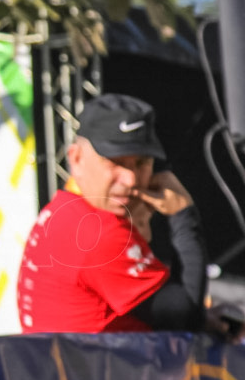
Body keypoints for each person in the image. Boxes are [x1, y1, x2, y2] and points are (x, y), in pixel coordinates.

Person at [16, 93, 222, 334]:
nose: (131, 179)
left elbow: (176, 313)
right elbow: (185, 319)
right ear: (76, 158)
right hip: (91, 371)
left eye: (142, 162)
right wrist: (183, 214)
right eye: (115, 162)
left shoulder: (64, 209)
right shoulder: (96, 231)